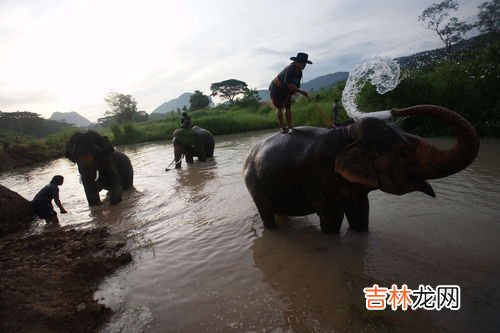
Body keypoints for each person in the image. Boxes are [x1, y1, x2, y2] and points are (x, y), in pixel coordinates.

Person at [269, 52, 311, 133]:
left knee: (288, 107)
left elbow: (296, 85)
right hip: (277, 89)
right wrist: (301, 92)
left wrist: (296, 92)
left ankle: (290, 125)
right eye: (302, 63)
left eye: (305, 64)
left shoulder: (300, 72)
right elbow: (289, 84)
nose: (304, 65)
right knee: (280, 107)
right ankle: (282, 127)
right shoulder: (290, 69)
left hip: (286, 91)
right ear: (297, 62)